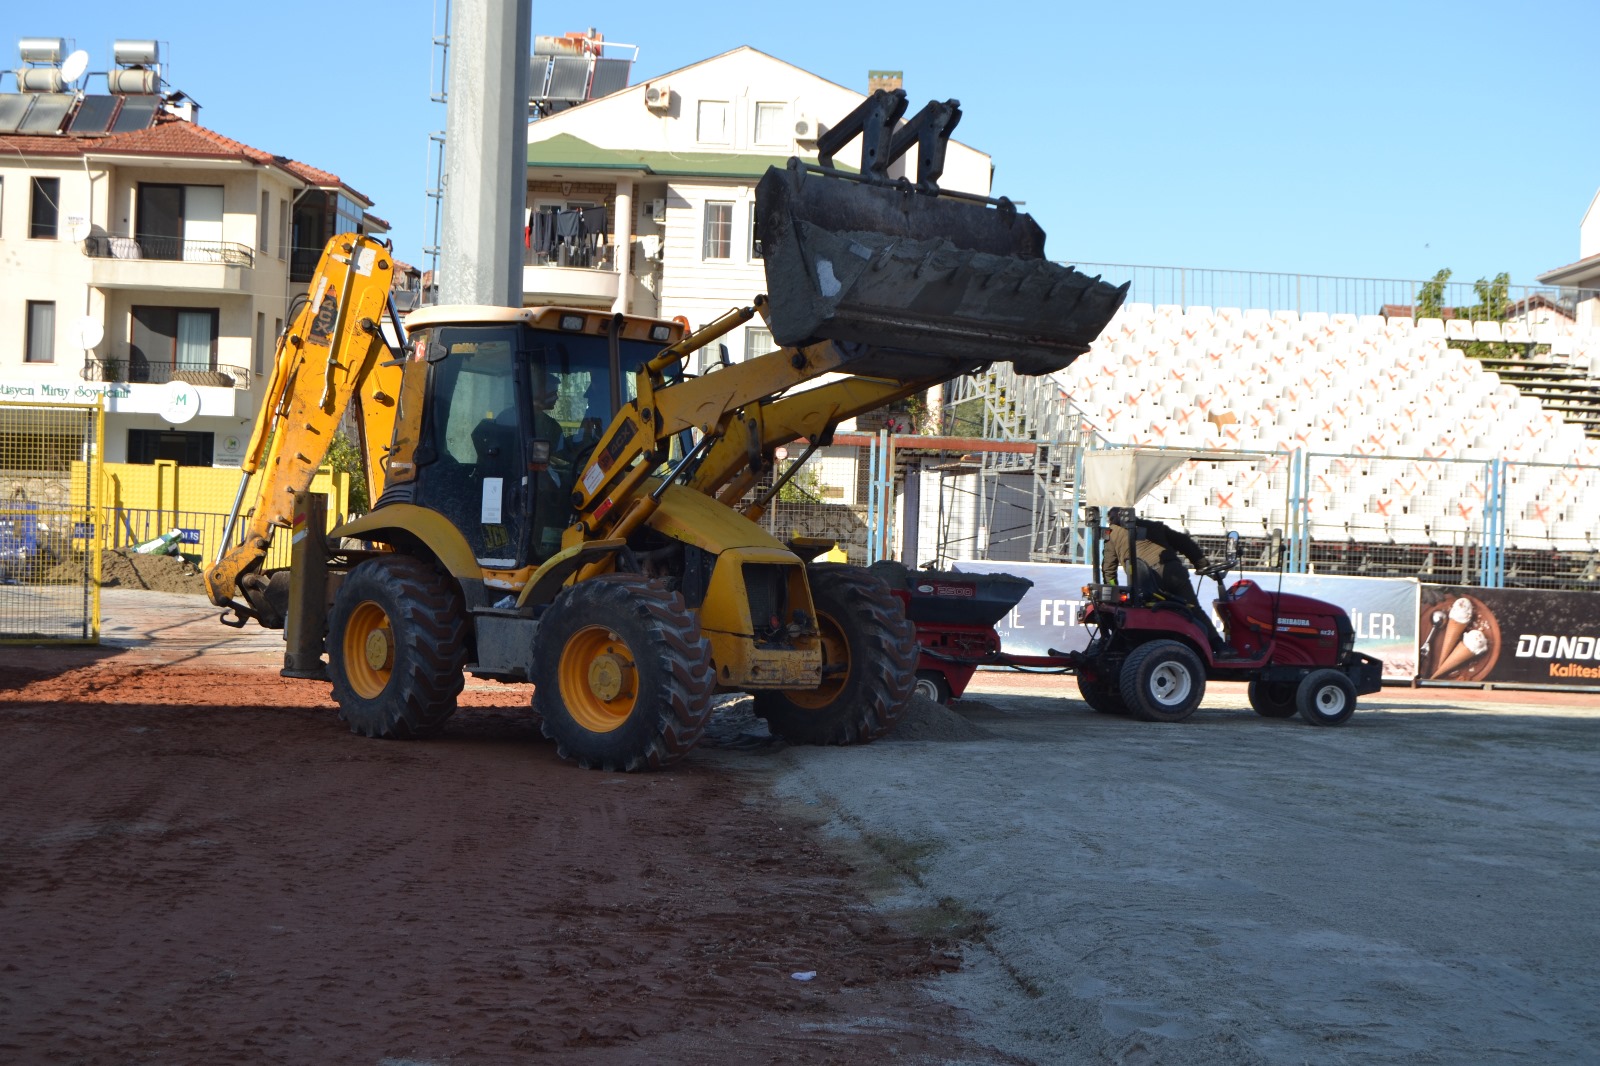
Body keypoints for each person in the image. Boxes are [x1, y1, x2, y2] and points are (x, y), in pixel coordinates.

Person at [1101, 508, 1225, 650]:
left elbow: (1108, 569)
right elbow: (1185, 542)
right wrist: (1201, 566)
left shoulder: (1111, 533)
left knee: (1154, 614)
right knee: (1193, 609)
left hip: (1146, 582)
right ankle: (1219, 646)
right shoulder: (1153, 526)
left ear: (1111, 520)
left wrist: (1113, 590)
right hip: (1173, 573)